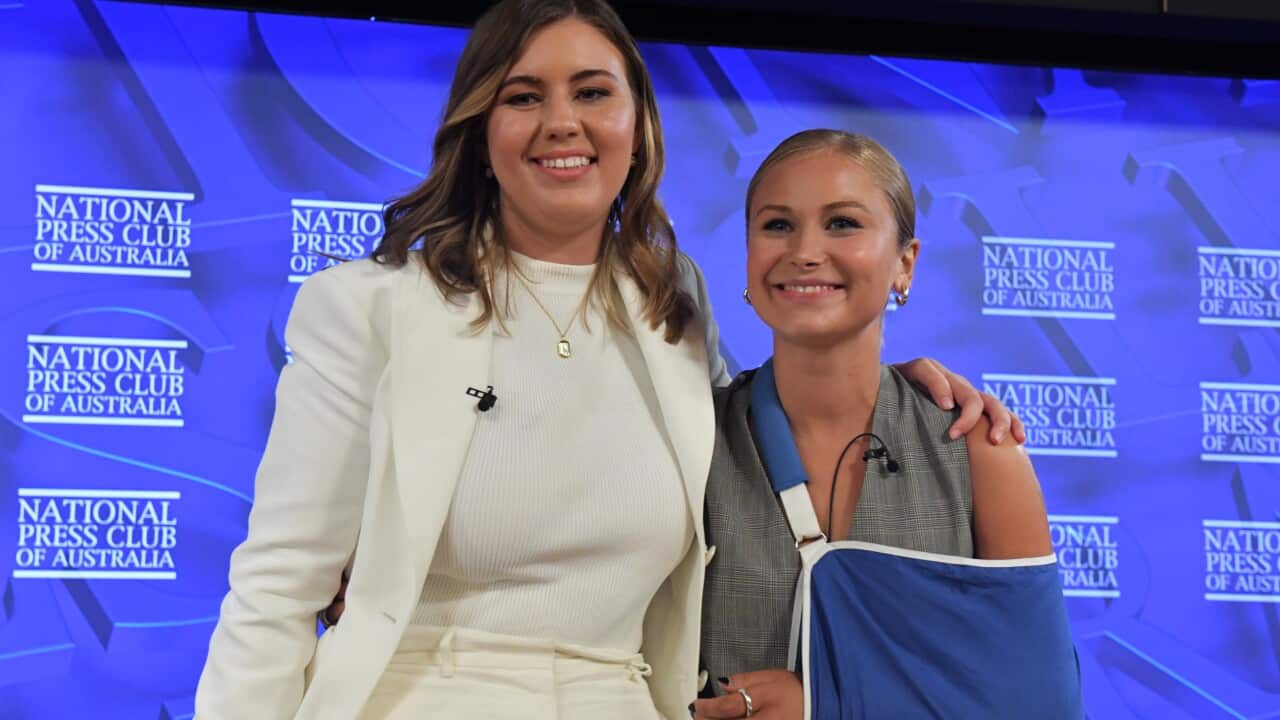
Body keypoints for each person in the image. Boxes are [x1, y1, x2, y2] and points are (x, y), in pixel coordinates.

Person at [195, 3, 1019, 718]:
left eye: (593, 92)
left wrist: (894, 384)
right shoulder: (369, 307)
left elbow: (759, 432)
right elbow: (278, 584)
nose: (564, 122)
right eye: (524, 96)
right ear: (483, 133)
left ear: (638, 127)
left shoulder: (674, 302)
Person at [693, 129, 1082, 720]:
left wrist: (830, 706)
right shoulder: (690, 441)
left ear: (905, 263)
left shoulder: (979, 449)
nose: (804, 250)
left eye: (843, 223)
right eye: (776, 225)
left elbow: (1044, 707)